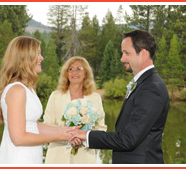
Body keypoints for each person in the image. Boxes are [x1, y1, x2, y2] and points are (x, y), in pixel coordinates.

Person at [71, 30, 169, 164]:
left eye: (126, 53)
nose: (122, 58)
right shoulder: (146, 83)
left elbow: (128, 139)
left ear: (143, 54)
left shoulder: (150, 88)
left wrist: (86, 135)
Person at [0, 36, 79, 164]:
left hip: (30, 157)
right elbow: (18, 138)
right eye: (38, 53)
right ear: (24, 57)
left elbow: (34, 125)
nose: (42, 58)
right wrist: (57, 136)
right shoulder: (17, 90)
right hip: (17, 159)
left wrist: (66, 132)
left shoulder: (29, 88)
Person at [42, 56, 107, 164]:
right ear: (66, 73)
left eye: (79, 69)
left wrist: (83, 138)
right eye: (71, 69)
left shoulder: (95, 98)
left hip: (85, 157)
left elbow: (101, 128)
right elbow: (47, 126)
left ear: (86, 73)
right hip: (57, 157)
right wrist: (66, 135)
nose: (74, 72)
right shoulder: (55, 96)